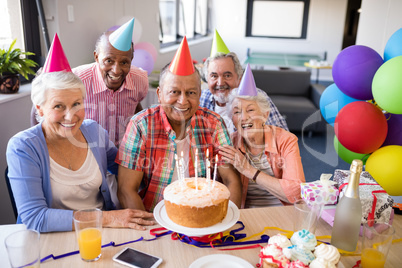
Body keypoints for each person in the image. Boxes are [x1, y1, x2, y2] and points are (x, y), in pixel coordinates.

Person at [6, 35, 154, 233]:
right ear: (39, 109)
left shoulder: (93, 131)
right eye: (59, 106)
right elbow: (36, 218)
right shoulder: (23, 147)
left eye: (77, 104)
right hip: (52, 241)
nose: (71, 116)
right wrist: (107, 217)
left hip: (103, 235)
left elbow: (124, 167)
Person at [116, 37, 242, 212]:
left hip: (203, 218)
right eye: (174, 92)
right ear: (159, 94)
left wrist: (224, 220)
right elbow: (126, 190)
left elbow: (232, 180)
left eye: (191, 93)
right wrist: (148, 228)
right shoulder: (140, 126)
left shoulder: (214, 124)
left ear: (200, 95)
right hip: (154, 218)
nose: (183, 101)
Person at [219, 64, 305, 209]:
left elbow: (296, 193)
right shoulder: (230, 144)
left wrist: (249, 170)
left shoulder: (286, 140)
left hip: (283, 212)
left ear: (265, 115)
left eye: (250, 110)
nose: (244, 117)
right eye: (237, 112)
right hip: (245, 215)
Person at [72, 18, 148, 146]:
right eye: (109, 61)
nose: (116, 70)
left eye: (124, 62)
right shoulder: (76, 80)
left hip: (125, 152)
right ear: (96, 57)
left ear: (131, 59)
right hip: (89, 152)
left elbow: (136, 104)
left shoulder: (140, 80)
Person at [200, 30, 288, 134]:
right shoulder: (201, 99)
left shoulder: (257, 98)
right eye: (214, 76)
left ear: (239, 78)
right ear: (207, 79)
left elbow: (283, 137)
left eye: (227, 75)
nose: (220, 83)